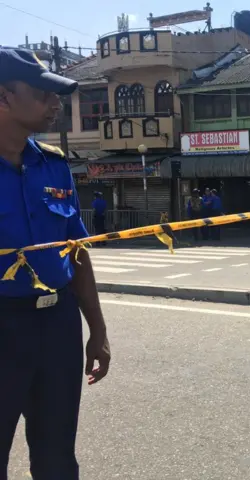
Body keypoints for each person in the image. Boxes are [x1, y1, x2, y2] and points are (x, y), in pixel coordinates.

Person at [0, 46, 110, 479]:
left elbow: (75, 251)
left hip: (57, 326)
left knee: (57, 456)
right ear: (4, 97)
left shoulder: (55, 165)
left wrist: (97, 329)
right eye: (43, 92)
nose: (55, 103)